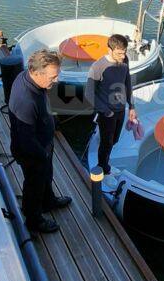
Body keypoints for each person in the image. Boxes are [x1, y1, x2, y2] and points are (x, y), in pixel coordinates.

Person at [8, 49, 71, 234]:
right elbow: (26, 140)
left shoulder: (29, 78)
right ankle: (34, 220)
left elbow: (41, 105)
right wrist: (42, 154)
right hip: (32, 151)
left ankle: (48, 201)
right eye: (53, 77)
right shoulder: (26, 100)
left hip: (43, 144)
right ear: (36, 73)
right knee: (33, 185)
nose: (57, 80)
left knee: (46, 176)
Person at [85, 34, 137, 176]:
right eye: (119, 53)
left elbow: (127, 83)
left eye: (124, 52)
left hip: (121, 110)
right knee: (106, 142)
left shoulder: (125, 60)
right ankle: (103, 169)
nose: (123, 56)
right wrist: (106, 111)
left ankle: (105, 162)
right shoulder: (97, 67)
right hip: (107, 113)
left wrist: (132, 106)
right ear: (110, 49)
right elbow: (89, 94)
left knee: (114, 140)